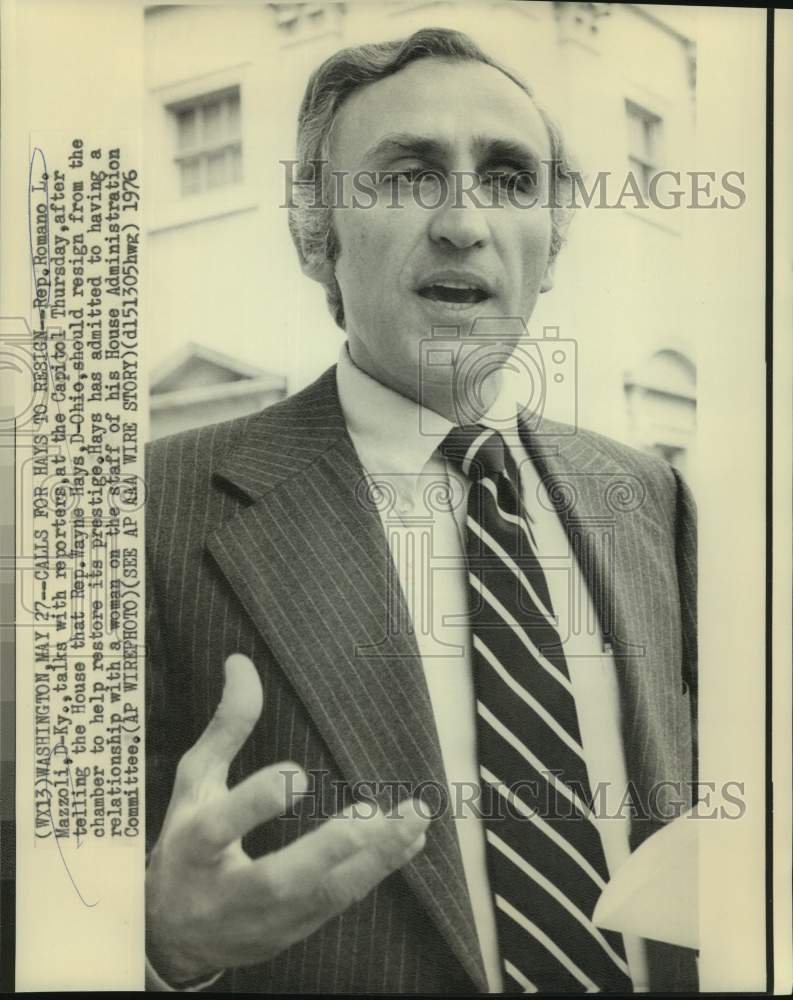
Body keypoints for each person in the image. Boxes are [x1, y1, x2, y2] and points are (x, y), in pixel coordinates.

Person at [144, 27, 698, 993]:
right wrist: (165, 953)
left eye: (510, 179)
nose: (463, 222)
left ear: (550, 245)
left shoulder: (648, 495)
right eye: (406, 176)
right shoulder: (148, 510)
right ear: (317, 235)